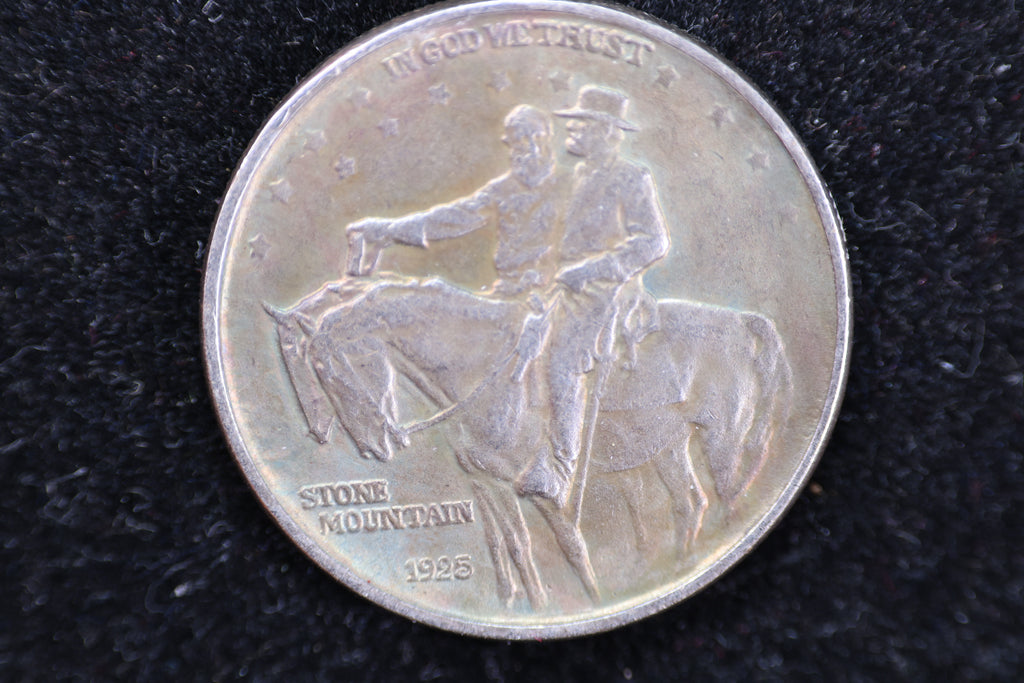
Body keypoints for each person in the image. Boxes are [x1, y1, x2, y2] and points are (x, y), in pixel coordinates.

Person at [516, 86, 670, 508]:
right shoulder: (579, 175)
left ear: (604, 131)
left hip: (606, 292)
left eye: (581, 123)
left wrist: (592, 270)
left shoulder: (631, 177)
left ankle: (558, 471)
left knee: (563, 364)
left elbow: (653, 241)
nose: (573, 130)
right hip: (565, 285)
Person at [346, 104, 567, 299]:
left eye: (523, 142)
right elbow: (452, 217)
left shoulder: (572, 184)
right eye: (515, 144)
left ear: (542, 138)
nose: (521, 151)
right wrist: (389, 229)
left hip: (555, 299)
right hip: (509, 294)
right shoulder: (503, 188)